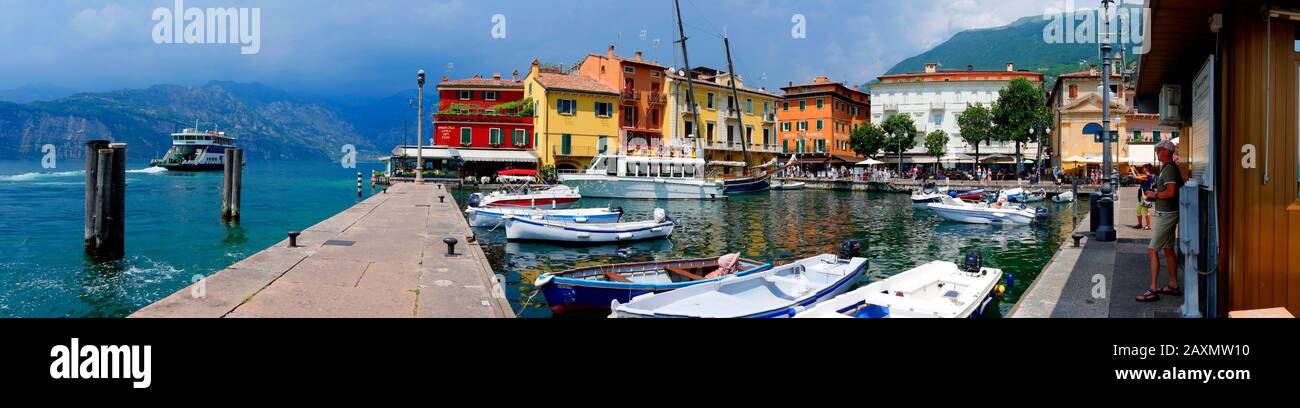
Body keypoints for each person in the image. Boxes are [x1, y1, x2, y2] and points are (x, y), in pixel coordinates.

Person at [1137, 140, 1183, 302]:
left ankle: (1153, 289)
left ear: (1166, 151)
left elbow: (1171, 193)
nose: (1157, 153)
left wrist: (1154, 195)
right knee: (1168, 249)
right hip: (1169, 213)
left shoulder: (1169, 169)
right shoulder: (1168, 168)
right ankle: (1173, 285)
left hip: (1167, 215)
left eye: (1159, 150)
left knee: (1152, 249)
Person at [1134, 164, 1153, 230]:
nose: (1143, 169)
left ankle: (1147, 225)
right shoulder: (1147, 176)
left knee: (1143, 210)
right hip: (1142, 195)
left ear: (1147, 169)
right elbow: (1139, 176)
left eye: (1144, 168)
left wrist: (1131, 170)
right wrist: (1135, 171)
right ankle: (1141, 224)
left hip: (1144, 195)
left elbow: (1136, 177)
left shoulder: (1147, 176)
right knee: (1141, 210)